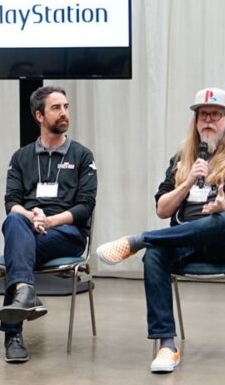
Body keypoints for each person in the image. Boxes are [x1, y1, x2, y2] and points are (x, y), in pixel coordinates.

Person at [97, 87, 225, 374]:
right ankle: (167, 345)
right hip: (184, 241)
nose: (208, 120)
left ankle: (140, 239)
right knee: (154, 256)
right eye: (202, 115)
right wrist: (188, 182)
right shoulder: (182, 158)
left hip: (220, 243)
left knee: (220, 222)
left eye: (215, 114)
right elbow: (163, 210)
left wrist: (221, 207)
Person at [0, 86, 97, 363]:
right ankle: (25, 294)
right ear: (39, 116)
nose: (64, 113)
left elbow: (85, 207)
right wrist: (31, 217)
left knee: (16, 249)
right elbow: (11, 202)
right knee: (16, 221)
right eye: (56, 108)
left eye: (66, 106)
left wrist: (49, 221)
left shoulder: (82, 156)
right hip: (29, 229)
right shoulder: (21, 157)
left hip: (67, 233)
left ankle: (14, 331)